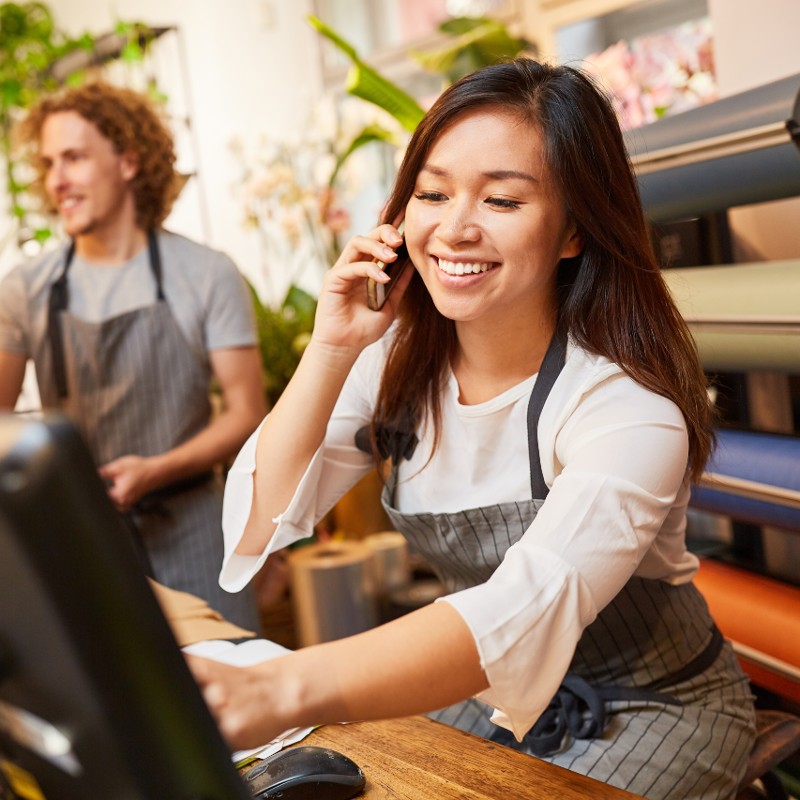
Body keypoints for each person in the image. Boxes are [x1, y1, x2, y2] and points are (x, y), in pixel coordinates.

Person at [189, 59, 756, 799]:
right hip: (484, 690)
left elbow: (521, 605)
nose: (454, 228)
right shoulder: (392, 362)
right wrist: (330, 348)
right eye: (431, 193)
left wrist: (277, 688)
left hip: (650, 708)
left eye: (501, 200)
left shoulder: (626, 405)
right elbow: (263, 517)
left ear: (574, 232)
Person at [0, 82, 266, 630]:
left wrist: (156, 470)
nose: (57, 180)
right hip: (83, 541)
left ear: (128, 161)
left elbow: (246, 412)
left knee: (233, 693)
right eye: (48, 163)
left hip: (197, 533)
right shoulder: (25, 289)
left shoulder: (205, 274)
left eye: (73, 158)